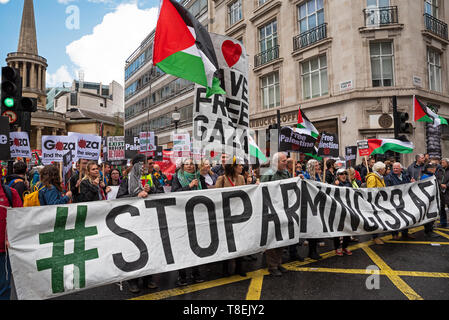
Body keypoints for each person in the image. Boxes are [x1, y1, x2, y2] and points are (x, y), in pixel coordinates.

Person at [260, 152, 297, 276]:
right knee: (272, 238)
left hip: (284, 209)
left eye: (286, 160)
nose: (286, 163)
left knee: (282, 237)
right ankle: (272, 266)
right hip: (271, 210)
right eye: (283, 161)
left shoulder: (286, 173)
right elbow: (262, 191)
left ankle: (279, 262)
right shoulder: (268, 175)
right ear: (276, 162)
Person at [172, 158, 207, 285]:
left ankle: (196, 272)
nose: (189, 166)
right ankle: (182, 276)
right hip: (182, 216)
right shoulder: (177, 177)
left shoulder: (200, 177)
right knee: (183, 245)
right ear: (182, 166)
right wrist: (189, 186)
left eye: (192, 164)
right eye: (186, 164)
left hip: (197, 215)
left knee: (196, 244)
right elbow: (174, 193)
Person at [215, 159, 247, 277]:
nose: (242, 167)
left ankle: (239, 267)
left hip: (239, 214)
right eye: (239, 165)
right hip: (226, 214)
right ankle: (225, 268)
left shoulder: (241, 178)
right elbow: (216, 196)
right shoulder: (221, 179)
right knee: (226, 242)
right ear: (233, 167)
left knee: (240, 241)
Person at [0, 179, 23, 300]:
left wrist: (13, 237)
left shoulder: (9, 193)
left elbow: (20, 219)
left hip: (3, 250)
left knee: (3, 286)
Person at [383, 162, 415, 240]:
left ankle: (405, 233)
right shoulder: (388, 177)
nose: (395, 170)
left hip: (405, 200)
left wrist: (412, 183)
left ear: (401, 169)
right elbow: (388, 189)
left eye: (397, 168)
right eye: (394, 168)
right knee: (395, 217)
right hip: (394, 201)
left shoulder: (405, 176)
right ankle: (395, 234)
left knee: (406, 216)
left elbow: (408, 186)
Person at [333, 169, 353, 256]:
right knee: (337, 229)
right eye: (341, 174)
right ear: (337, 175)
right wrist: (335, 185)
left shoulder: (349, 183)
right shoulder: (334, 184)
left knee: (347, 229)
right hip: (338, 210)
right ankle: (337, 247)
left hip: (348, 209)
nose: (344, 175)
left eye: (345, 173)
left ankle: (345, 246)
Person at [366, 162, 387, 245]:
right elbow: (370, 191)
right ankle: (375, 237)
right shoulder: (372, 178)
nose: (385, 170)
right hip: (375, 202)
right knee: (375, 220)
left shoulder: (380, 177)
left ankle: (377, 236)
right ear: (380, 170)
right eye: (384, 168)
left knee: (379, 219)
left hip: (380, 202)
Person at [421, 163, 440, 238]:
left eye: (434, 168)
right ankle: (428, 231)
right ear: (428, 169)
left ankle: (430, 229)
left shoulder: (431, 175)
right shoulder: (425, 177)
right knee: (429, 215)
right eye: (432, 168)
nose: (434, 169)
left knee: (432, 214)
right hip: (428, 199)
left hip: (433, 199)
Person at [436, 158, 449, 228]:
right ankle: (443, 223)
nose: (442, 164)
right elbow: (436, 178)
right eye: (441, 163)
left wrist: (446, 185)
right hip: (440, 191)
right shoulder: (439, 170)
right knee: (441, 207)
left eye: (443, 163)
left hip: (448, 191)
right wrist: (440, 184)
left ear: (447, 163)